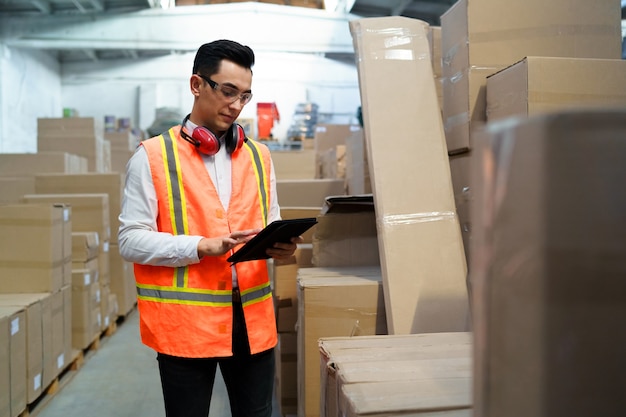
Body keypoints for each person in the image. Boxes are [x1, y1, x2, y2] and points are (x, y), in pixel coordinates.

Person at [118, 39, 301, 417]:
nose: (236, 105)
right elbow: (129, 240)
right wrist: (199, 246)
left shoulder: (258, 154)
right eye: (228, 91)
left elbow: (270, 218)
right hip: (186, 325)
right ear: (197, 85)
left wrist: (282, 243)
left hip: (251, 318)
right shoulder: (152, 156)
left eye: (245, 96)